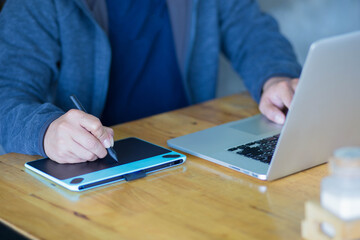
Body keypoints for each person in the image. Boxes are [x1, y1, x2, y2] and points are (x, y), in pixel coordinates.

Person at [0, 0, 301, 164]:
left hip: (187, 155)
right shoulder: (35, 5)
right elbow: (7, 94)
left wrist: (275, 77)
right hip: (95, 169)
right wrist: (45, 130)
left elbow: (251, 31)